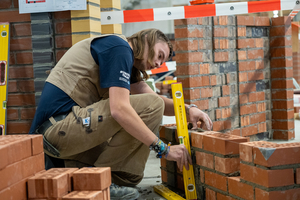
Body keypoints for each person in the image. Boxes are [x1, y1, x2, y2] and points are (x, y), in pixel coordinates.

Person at [29, 29, 212, 200]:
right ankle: (99, 182)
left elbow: (156, 102)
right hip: (55, 129)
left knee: (128, 175)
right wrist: (163, 149)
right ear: (147, 40)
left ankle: (90, 180)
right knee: (144, 108)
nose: (157, 64)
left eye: (161, 62)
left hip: (70, 132)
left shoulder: (124, 60)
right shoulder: (119, 48)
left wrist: (189, 110)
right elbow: (120, 109)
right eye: (159, 56)